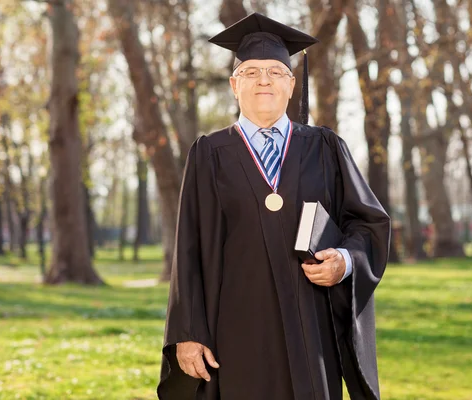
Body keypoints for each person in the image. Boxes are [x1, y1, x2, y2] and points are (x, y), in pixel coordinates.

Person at [157, 12, 391, 400]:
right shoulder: (209, 154)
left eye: (275, 72)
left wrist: (344, 262)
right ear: (234, 85)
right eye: (250, 72)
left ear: (291, 84)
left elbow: (368, 224)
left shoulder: (325, 148)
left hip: (312, 328)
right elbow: (189, 250)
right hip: (232, 331)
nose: (263, 80)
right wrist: (187, 334)